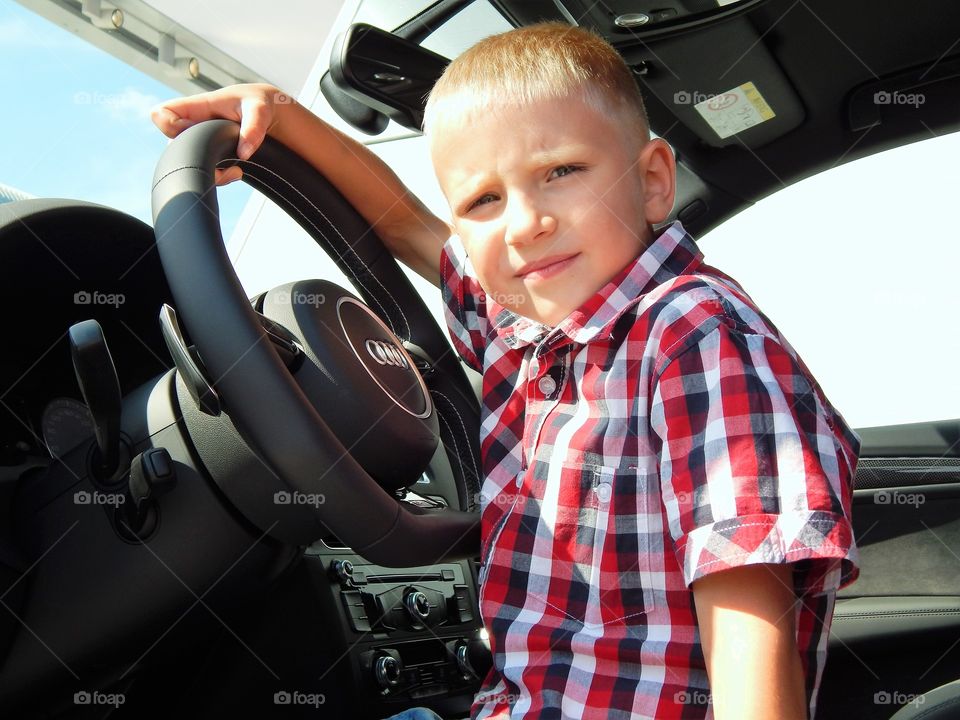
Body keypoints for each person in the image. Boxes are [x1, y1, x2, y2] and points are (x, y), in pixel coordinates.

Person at [152, 22, 859, 720]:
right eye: (483, 201)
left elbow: (749, 625)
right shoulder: (523, 328)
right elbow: (404, 224)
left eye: (560, 172)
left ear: (652, 182)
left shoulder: (692, 334)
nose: (523, 224)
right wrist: (281, 116)